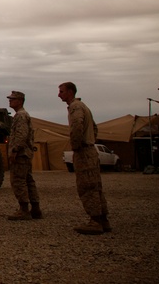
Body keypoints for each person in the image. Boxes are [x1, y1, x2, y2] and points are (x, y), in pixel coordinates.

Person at [58, 82, 110, 235]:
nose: (59, 94)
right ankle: (103, 219)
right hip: (89, 149)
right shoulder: (83, 106)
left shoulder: (76, 107)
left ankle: (95, 221)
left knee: (87, 186)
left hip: (84, 151)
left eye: (61, 91)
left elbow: (77, 126)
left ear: (70, 92)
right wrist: (90, 140)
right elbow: (94, 127)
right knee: (95, 186)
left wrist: (76, 145)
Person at [5, 90, 41, 220]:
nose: (10, 100)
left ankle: (24, 209)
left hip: (21, 154)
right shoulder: (23, 115)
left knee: (18, 180)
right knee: (28, 180)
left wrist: (14, 150)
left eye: (13, 99)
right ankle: (36, 209)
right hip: (25, 153)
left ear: (20, 101)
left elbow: (21, 134)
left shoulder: (20, 116)